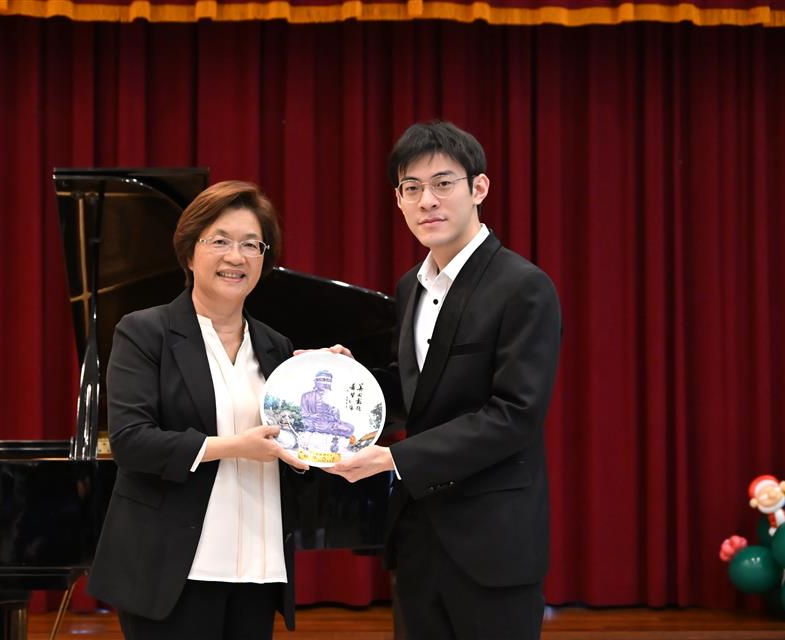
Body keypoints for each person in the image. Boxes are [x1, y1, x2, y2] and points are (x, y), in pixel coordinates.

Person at [326, 121, 562, 640]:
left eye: (443, 183)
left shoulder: (524, 286)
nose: (427, 200)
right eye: (411, 188)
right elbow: (415, 393)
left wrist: (394, 459)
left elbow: (514, 415)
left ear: (479, 188)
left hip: (493, 538)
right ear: (398, 200)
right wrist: (346, 378)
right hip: (418, 532)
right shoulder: (409, 286)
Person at [87, 180, 309, 640]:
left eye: (251, 244)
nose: (236, 257)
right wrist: (234, 447)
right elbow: (129, 442)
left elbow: (295, 444)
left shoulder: (276, 346)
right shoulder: (144, 332)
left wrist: (330, 380)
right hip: (174, 568)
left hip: (257, 564)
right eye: (220, 241)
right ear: (190, 254)